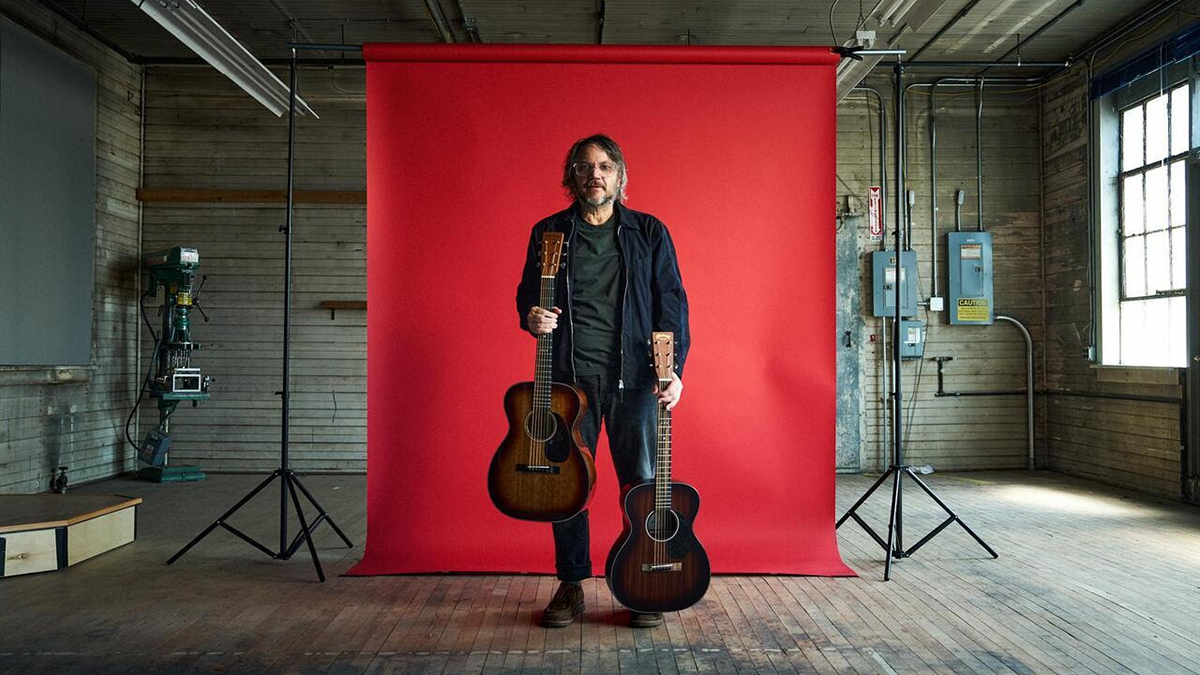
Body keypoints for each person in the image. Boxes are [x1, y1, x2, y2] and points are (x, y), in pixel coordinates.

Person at [516, 134, 690, 629]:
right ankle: (572, 584)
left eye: (606, 166)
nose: (596, 175)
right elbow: (528, 295)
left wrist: (675, 370)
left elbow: (672, 303)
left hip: (634, 382)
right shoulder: (548, 232)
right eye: (586, 166)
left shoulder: (649, 232)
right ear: (571, 176)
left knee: (641, 485)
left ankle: (641, 584)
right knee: (567, 487)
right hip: (569, 382)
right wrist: (531, 317)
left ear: (620, 177)